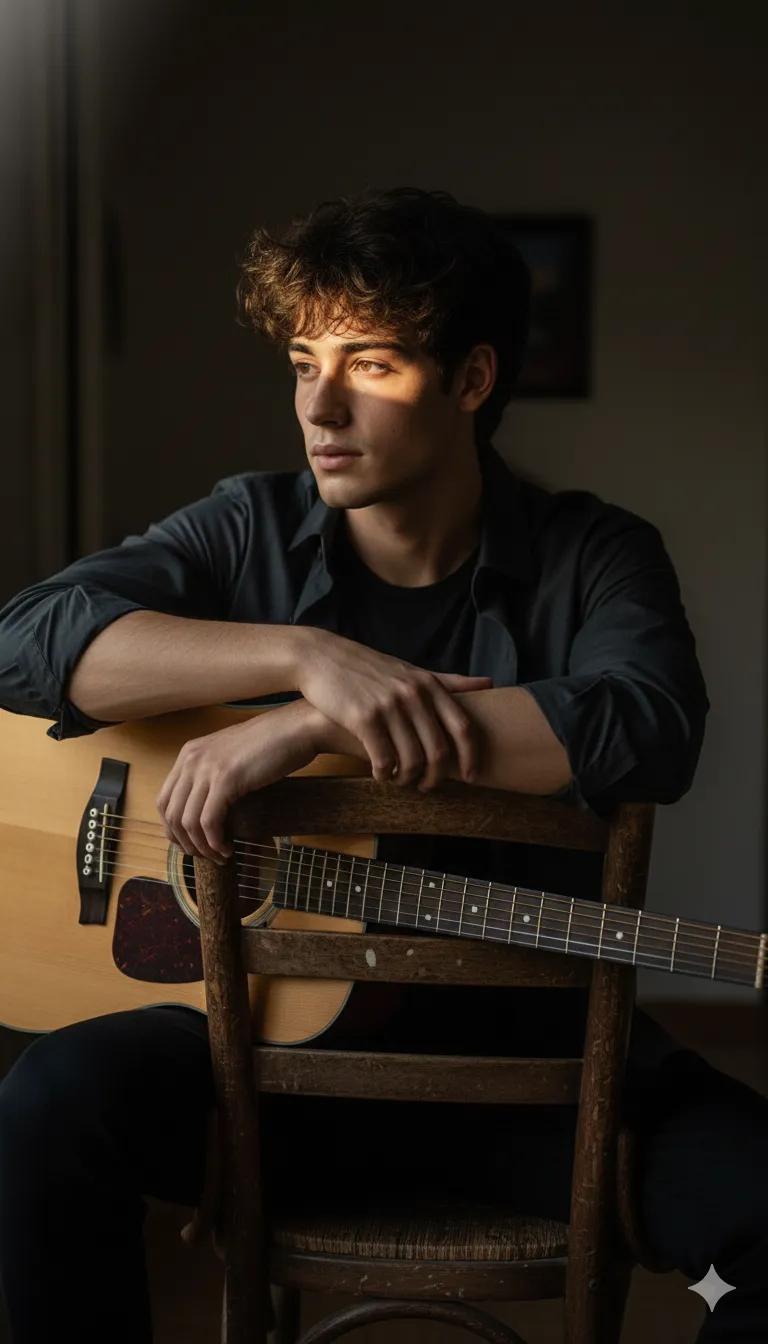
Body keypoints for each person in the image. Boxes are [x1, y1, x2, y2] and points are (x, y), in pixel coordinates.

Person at [0, 186, 765, 1343]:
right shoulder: (244, 528)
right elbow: (25, 641)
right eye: (304, 359)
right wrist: (307, 658)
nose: (319, 402)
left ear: (471, 380)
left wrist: (323, 727)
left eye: (371, 362)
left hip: (536, 1080)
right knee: (45, 1108)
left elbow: (648, 727)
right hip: (252, 1075)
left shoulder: (593, 556)